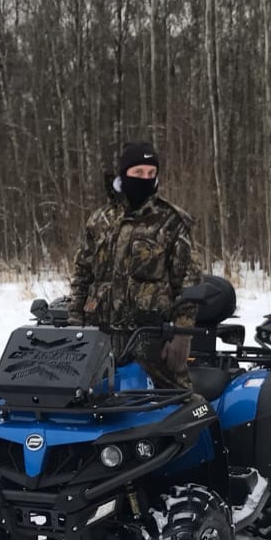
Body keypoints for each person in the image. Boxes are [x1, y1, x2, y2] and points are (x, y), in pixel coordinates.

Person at [69, 141, 201, 389]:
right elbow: (82, 274)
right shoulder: (101, 220)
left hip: (151, 339)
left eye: (151, 173)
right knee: (88, 405)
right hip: (100, 334)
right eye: (138, 172)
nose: (145, 178)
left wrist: (182, 337)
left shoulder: (171, 222)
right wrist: (75, 321)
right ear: (124, 173)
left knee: (177, 404)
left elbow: (188, 284)